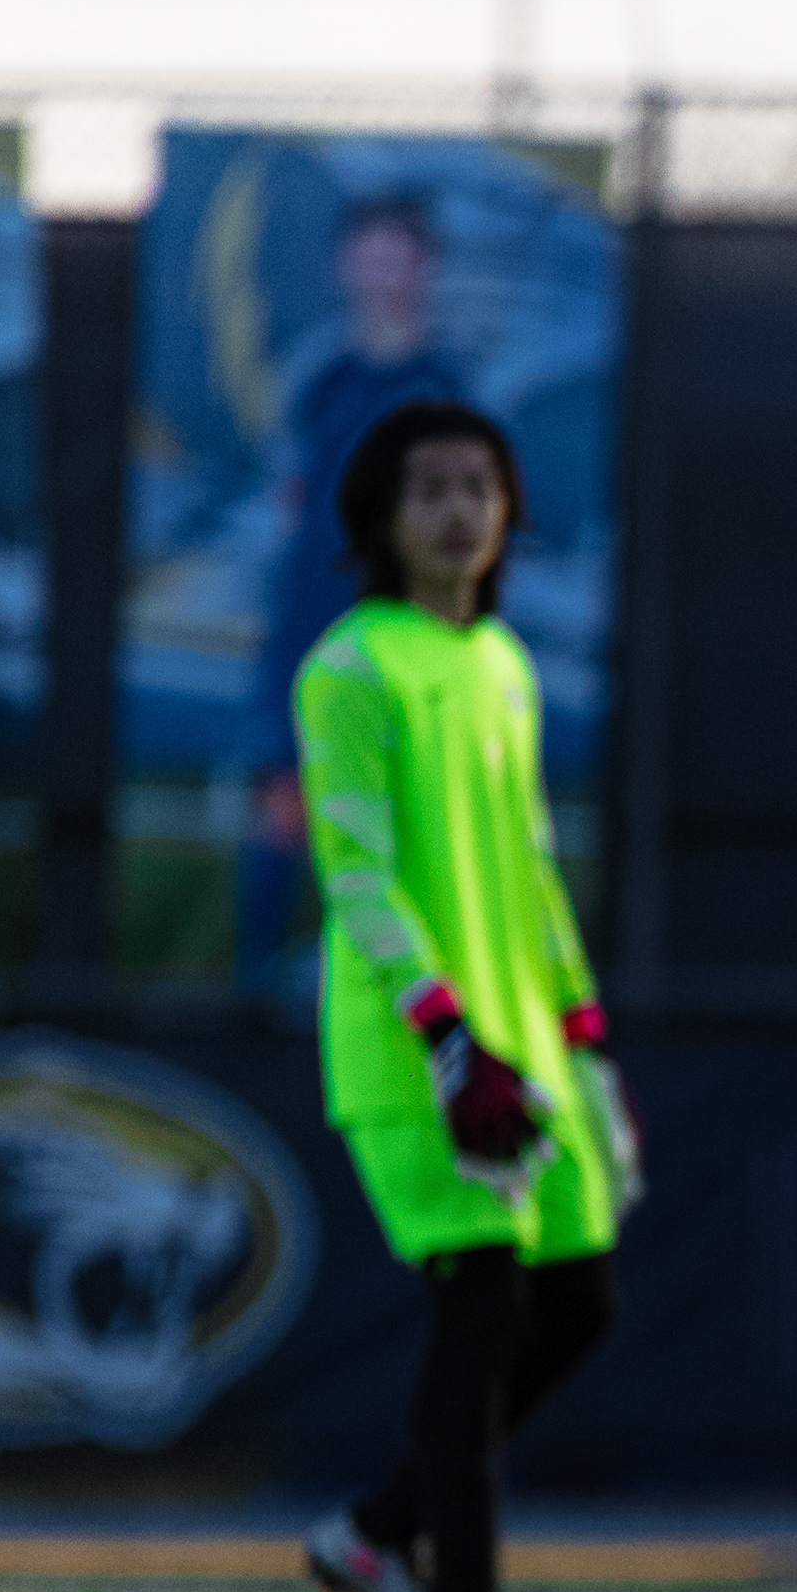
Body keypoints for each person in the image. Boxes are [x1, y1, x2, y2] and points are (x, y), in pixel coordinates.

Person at [293, 401, 642, 1592]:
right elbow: (356, 873)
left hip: (524, 1051)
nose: (458, 509)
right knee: (481, 1306)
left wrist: (583, 1040)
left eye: (479, 486)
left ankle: (374, 1534)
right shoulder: (349, 667)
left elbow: (533, 870)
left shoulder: (501, 661)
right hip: (415, 1049)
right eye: (429, 487)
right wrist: (445, 1034)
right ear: (381, 517)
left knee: (579, 1301)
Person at [241, 190, 480, 1003]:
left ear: (425, 267)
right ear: (345, 267)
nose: (380, 273)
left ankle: (391, 988)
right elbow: (290, 500)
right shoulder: (322, 381)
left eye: (396, 255)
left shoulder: (447, 391)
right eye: (366, 254)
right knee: (287, 800)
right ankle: (252, 988)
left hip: (401, 632)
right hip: (308, 623)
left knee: (394, 811)